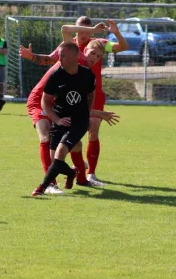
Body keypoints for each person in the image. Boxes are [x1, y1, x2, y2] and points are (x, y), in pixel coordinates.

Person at [20, 16, 128, 186]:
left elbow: (122, 47)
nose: (95, 57)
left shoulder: (96, 47)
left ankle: (84, 177)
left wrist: (115, 33)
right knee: (46, 137)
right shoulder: (71, 49)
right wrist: (32, 56)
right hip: (44, 99)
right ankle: (50, 184)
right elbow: (54, 50)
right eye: (93, 54)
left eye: (99, 56)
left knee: (76, 142)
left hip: (72, 98)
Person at [31, 41, 96, 196]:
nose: (59, 58)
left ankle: (42, 187)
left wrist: (86, 114)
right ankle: (71, 173)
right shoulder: (55, 76)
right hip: (61, 119)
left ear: (75, 57)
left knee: (61, 151)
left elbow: (91, 95)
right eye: (59, 55)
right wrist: (57, 119)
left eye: (63, 55)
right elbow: (45, 102)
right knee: (55, 160)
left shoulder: (87, 75)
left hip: (78, 122)